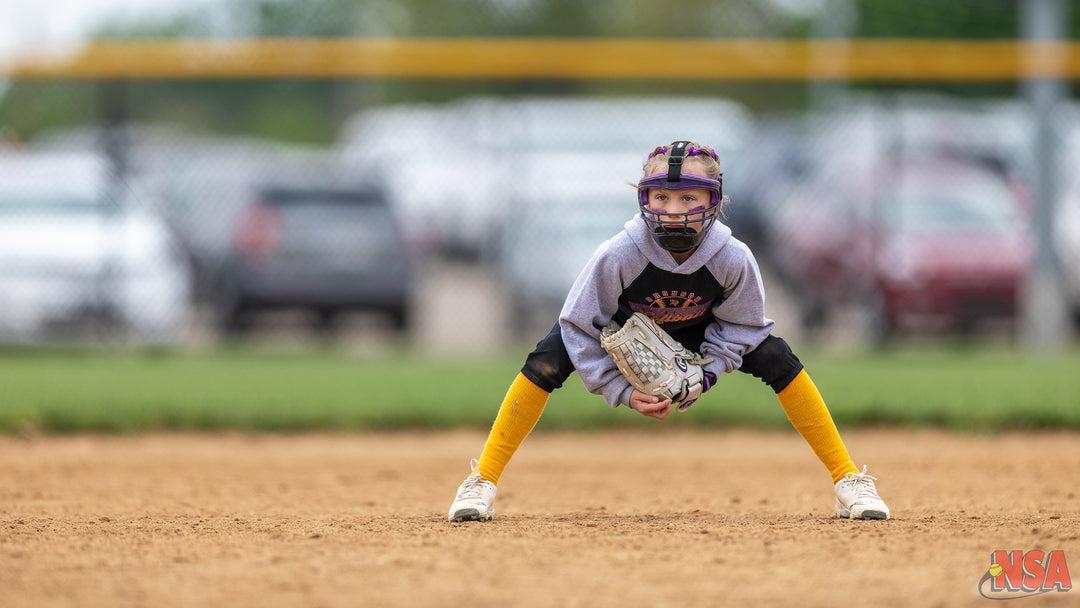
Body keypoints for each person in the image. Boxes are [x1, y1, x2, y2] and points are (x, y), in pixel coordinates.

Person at [448, 140, 889, 522]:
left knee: (777, 357)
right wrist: (620, 388)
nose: (673, 211)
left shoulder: (732, 257)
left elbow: (743, 326)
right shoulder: (620, 253)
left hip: (704, 334)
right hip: (622, 332)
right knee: (547, 359)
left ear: (715, 201)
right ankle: (482, 479)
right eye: (661, 197)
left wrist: (709, 372)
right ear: (643, 198)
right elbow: (579, 326)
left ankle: (847, 478)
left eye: (688, 198)